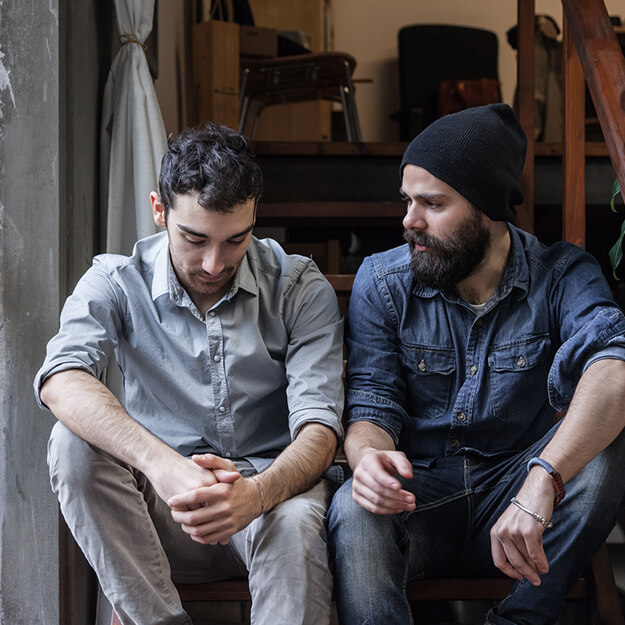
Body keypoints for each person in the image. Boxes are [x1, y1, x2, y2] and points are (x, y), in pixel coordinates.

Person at [35, 123, 344, 625]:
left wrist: (258, 493)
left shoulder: (298, 287)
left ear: (254, 217)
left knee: (294, 525)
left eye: (235, 240)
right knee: (70, 446)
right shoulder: (115, 280)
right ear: (160, 210)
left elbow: (320, 431)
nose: (213, 262)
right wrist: (163, 466)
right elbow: (60, 378)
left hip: (272, 499)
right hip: (161, 514)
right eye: (194, 238)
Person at [328, 103, 625, 625]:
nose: (409, 221)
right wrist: (368, 457)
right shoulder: (382, 282)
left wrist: (542, 480)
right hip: (419, 498)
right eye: (408, 200)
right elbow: (372, 403)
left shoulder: (560, 275)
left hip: (521, 498)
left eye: (432, 203)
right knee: (354, 507)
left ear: (488, 208)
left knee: (608, 448)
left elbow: (617, 366)